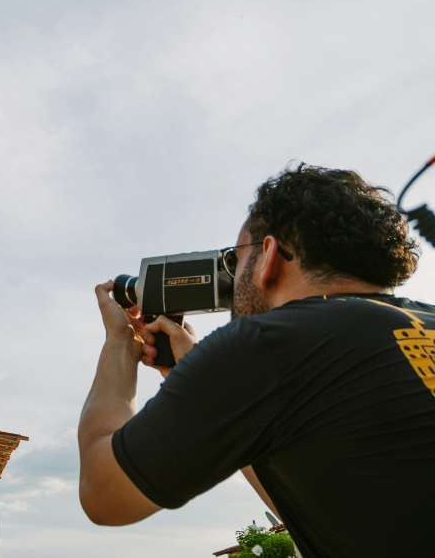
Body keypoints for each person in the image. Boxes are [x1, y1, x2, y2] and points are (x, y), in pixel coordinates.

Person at [77, 164, 435, 558]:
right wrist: (215, 397)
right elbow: (322, 518)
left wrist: (119, 344)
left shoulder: (267, 342)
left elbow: (103, 493)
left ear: (268, 256)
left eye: (235, 260)